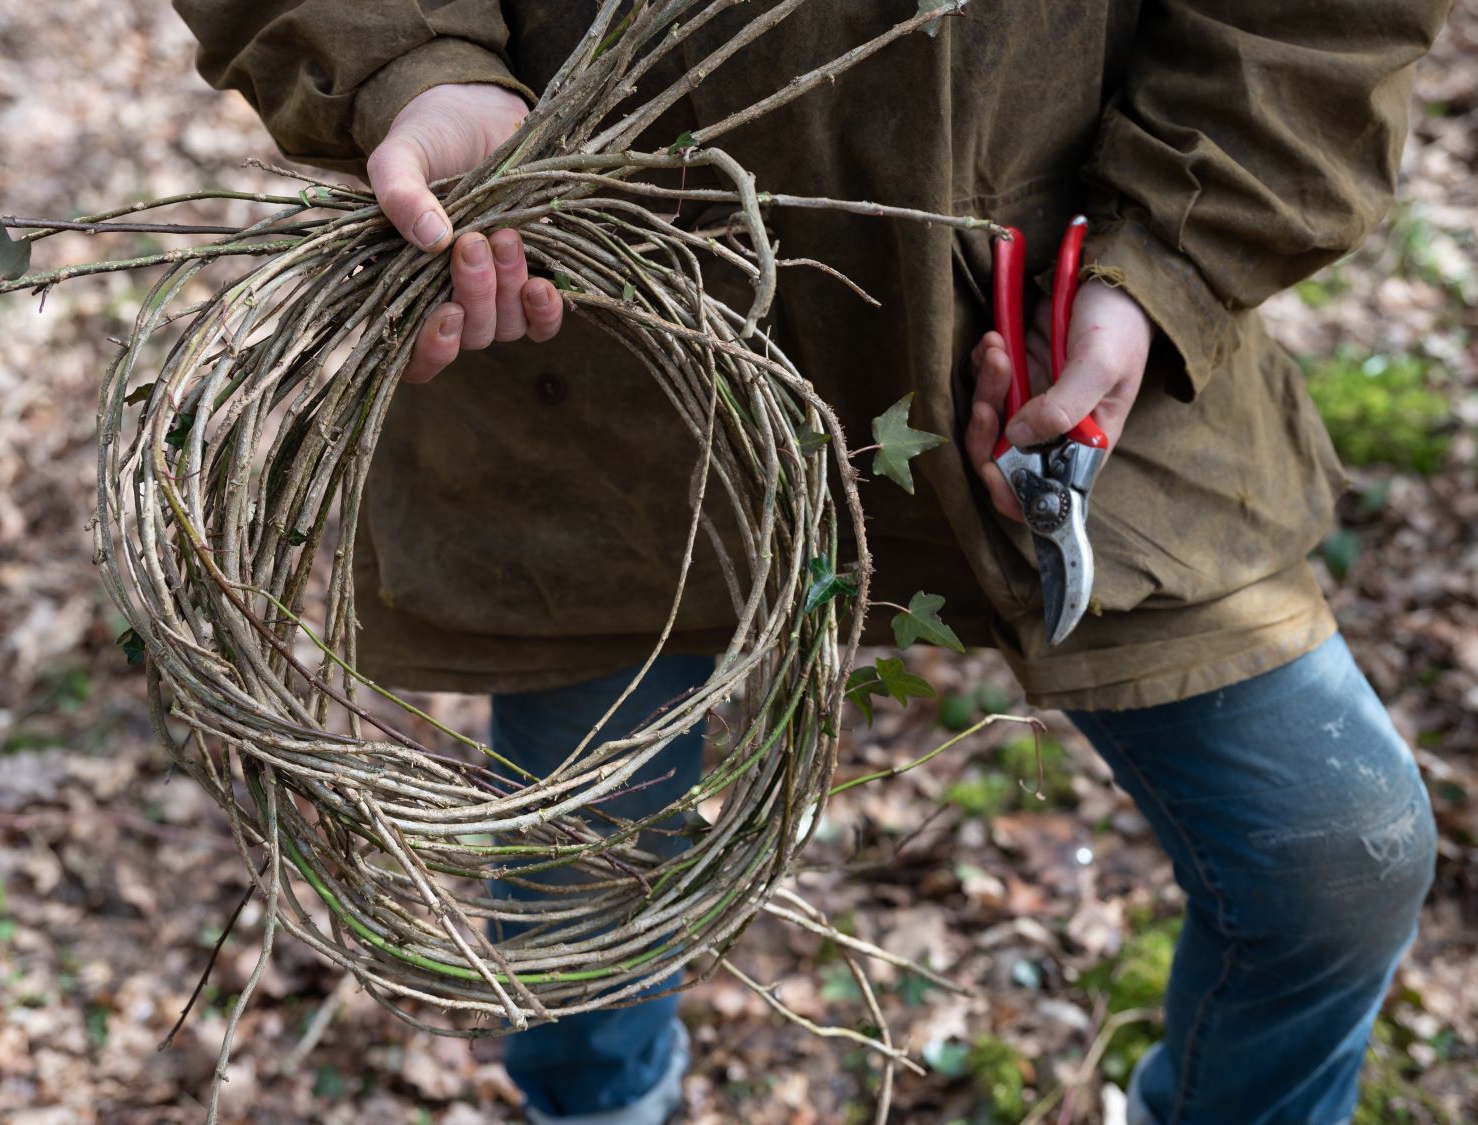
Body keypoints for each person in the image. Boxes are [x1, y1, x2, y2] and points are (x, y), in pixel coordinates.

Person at [174, 2, 1448, 1122]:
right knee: (585, 868)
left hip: (1036, 310)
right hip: (585, 305)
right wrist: (410, 62)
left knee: (1336, 851)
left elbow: (1323, 19)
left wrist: (1166, 263)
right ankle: (603, 1110)